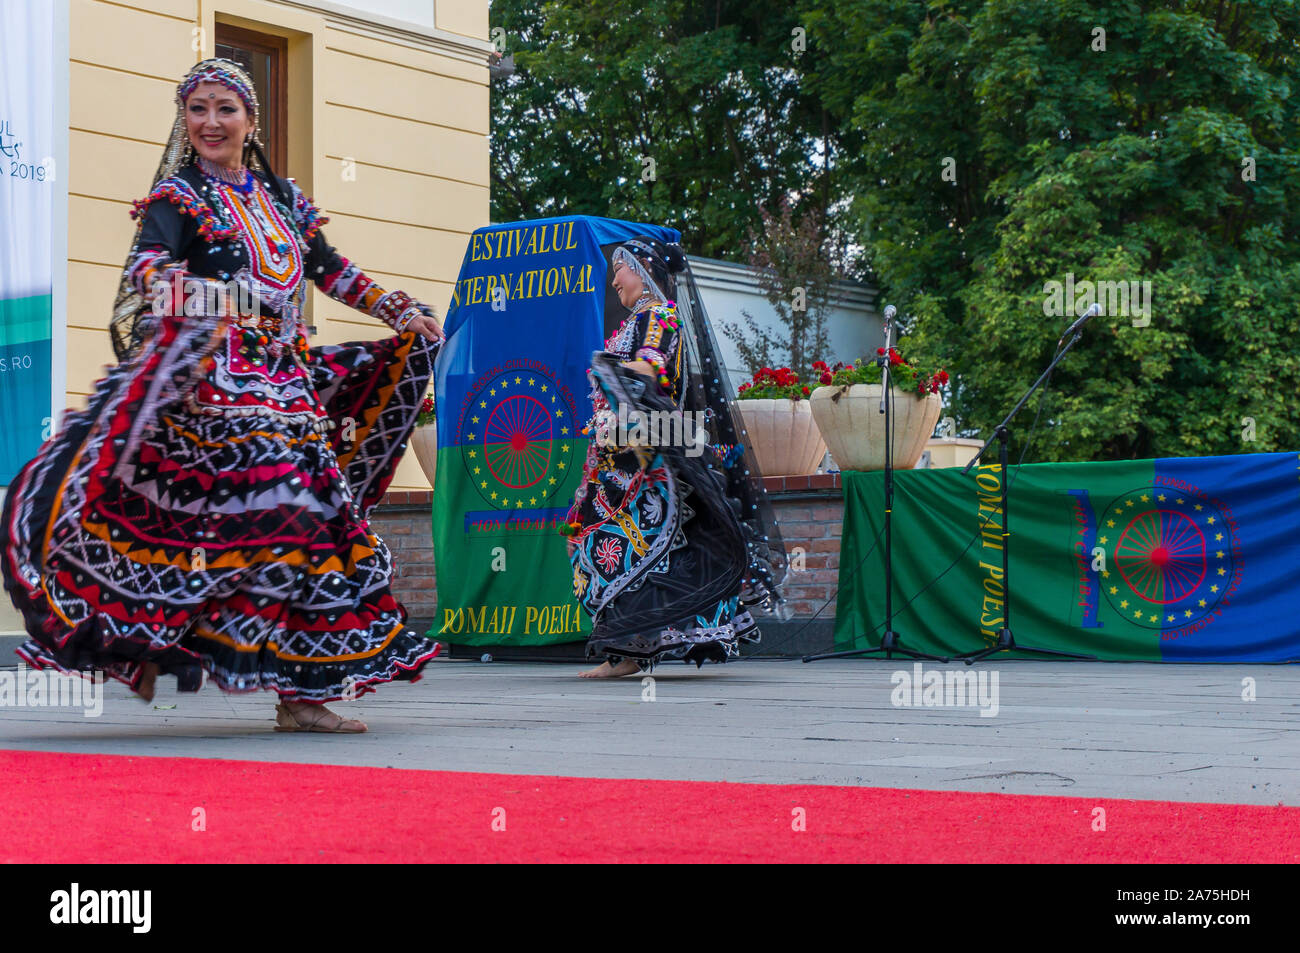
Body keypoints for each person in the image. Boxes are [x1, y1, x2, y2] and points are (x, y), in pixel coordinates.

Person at [0, 59, 443, 732]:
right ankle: (148, 640)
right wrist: (204, 294)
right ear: (185, 119)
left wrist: (400, 310)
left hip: (287, 387)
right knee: (271, 519)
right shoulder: (176, 200)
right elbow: (148, 270)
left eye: (224, 109)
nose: (210, 122)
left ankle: (300, 695)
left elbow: (331, 269)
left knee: (314, 529)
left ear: (250, 119)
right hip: (217, 387)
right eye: (198, 109)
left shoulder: (285, 199)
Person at [563, 236, 787, 677]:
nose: (614, 280)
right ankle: (627, 649)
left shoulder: (658, 316)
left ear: (644, 271)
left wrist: (609, 367)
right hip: (619, 457)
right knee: (611, 545)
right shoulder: (634, 321)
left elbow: (648, 367)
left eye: (620, 269)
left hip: (645, 459)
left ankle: (627, 652)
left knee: (625, 546)